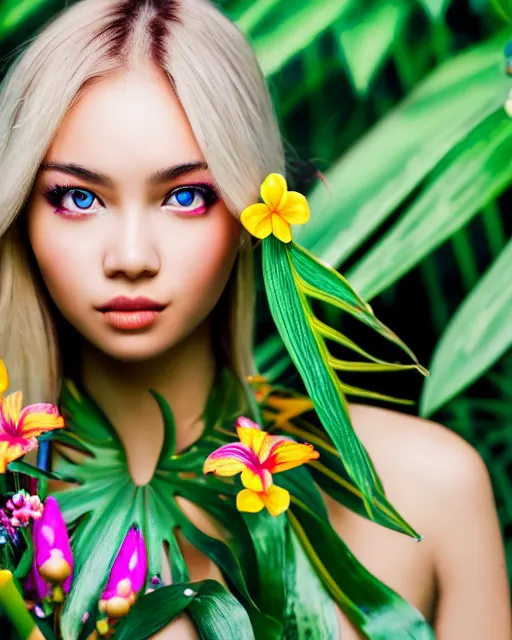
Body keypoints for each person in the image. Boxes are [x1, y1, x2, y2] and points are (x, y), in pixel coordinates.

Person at [0, 0, 509, 638]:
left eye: (186, 196)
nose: (130, 257)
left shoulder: (429, 488)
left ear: (252, 215)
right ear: (22, 213)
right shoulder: (12, 516)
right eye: (79, 197)